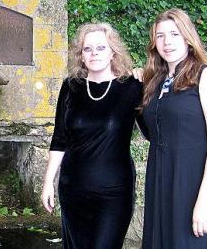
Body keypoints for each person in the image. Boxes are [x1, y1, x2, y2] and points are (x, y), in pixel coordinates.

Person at [41, 23, 145, 248]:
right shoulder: (71, 87)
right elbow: (59, 139)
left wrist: (151, 80)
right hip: (73, 190)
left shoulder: (132, 87)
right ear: (81, 55)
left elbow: (151, 131)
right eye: (88, 49)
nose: (94, 53)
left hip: (115, 193)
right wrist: (48, 182)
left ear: (112, 53)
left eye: (101, 47)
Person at [141, 8, 207, 248]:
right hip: (162, 180)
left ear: (188, 38)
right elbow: (153, 132)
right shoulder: (155, 82)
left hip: (194, 183)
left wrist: (204, 200)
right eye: (160, 36)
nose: (167, 42)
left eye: (174, 34)